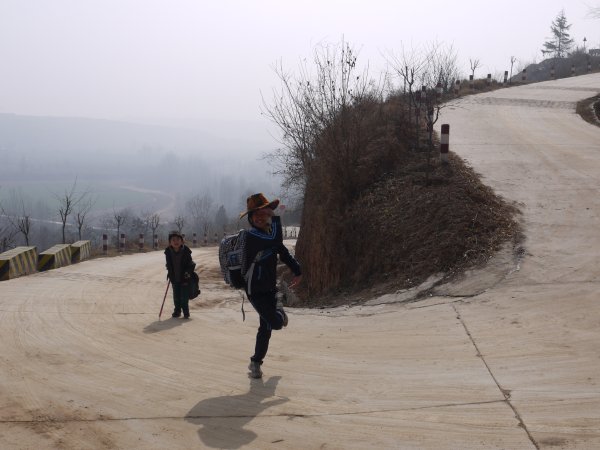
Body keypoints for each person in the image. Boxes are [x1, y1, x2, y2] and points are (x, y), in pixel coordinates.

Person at [240, 193, 302, 378]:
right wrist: (274, 216)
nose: (260, 218)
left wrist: (297, 271)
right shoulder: (251, 236)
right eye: (256, 215)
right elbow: (276, 241)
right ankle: (280, 312)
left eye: (264, 214)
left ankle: (255, 363)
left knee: (265, 328)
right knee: (275, 323)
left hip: (270, 288)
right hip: (255, 291)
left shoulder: (271, 237)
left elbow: (283, 253)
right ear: (250, 219)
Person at [164, 230, 196, 319]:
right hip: (174, 278)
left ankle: (186, 311)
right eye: (173, 240)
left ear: (182, 241)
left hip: (184, 278)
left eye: (178, 239)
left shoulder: (186, 251)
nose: (176, 242)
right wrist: (169, 272)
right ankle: (177, 311)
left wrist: (188, 273)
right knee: (176, 296)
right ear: (170, 243)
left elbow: (191, 264)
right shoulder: (168, 252)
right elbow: (169, 264)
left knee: (184, 296)